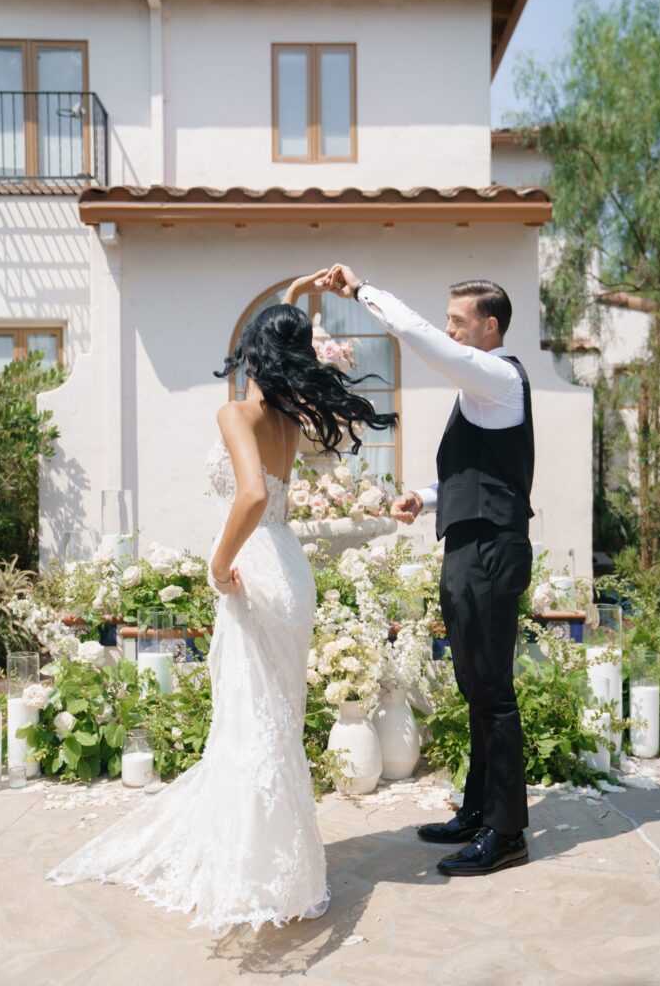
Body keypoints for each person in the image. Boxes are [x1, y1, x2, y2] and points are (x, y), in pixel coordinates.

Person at [46, 270, 398, 931]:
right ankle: (281, 864)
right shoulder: (290, 418)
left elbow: (252, 495)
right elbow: (284, 338)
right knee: (276, 717)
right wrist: (297, 291)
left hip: (252, 567)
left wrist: (217, 563)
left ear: (255, 355)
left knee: (250, 717)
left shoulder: (235, 413)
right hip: (290, 570)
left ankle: (251, 870)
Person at [319, 263, 533, 877]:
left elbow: (417, 335)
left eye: (459, 322)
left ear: (491, 326)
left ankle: (507, 833)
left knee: (492, 691)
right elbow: (480, 474)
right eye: (448, 321)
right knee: (475, 685)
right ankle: (479, 811)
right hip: (468, 544)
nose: (450, 330)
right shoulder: (480, 391)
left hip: (491, 548)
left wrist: (361, 291)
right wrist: (426, 496)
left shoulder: (498, 375)